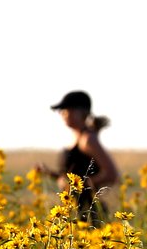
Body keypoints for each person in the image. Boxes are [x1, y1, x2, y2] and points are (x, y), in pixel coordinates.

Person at [35, 90, 118, 226]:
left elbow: (111, 175)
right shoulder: (78, 137)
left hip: (90, 212)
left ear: (82, 112)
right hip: (75, 209)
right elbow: (74, 176)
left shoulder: (88, 139)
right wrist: (50, 173)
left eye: (67, 110)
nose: (63, 114)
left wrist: (79, 186)